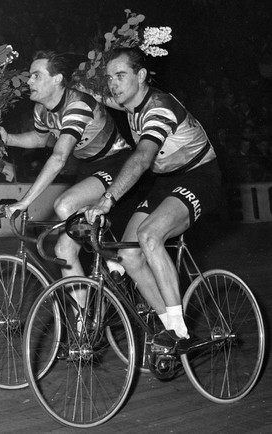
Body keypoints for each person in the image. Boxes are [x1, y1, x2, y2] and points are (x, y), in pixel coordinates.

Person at [83, 47, 222, 353]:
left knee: (148, 236)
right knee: (127, 255)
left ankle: (181, 330)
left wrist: (108, 199)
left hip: (200, 177)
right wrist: (76, 84)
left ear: (142, 76)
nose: (114, 84)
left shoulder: (159, 106)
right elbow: (104, 98)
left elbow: (143, 157)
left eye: (121, 76)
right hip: (167, 181)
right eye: (110, 77)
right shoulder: (129, 101)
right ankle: (168, 327)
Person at [0, 50, 131, 278]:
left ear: (57, 79)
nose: (29, 81)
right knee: (62, 250)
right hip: (89, 168)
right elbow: (40, 138)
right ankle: (81, 313)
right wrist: (9, 138)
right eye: (29, 76)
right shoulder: (41, 109)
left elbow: (59, 157)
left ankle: (109, 255)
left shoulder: (77, 106)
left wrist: (25, 201)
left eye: (36, 75)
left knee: (64, 205)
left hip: (117, 162)